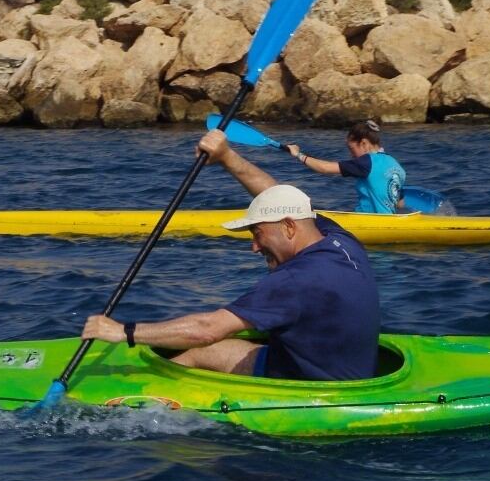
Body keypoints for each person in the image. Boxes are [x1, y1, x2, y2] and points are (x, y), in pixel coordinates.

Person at [80, 130, 380, 381]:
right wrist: (226, 157)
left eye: (257, 233)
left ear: (289, 227)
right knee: (226, 345)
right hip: (344, 365)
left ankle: (142, 397)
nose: (254, 246)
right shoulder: (339, 240)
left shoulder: (294, 280)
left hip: (313, 383)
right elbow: (276, 193)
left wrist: (123, 331)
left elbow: (207, 330)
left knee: (202, 349)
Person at [285, 119, 406, 214]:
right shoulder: (395, 165)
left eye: (352, 149)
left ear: (363, 143)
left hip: (368, 220)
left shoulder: (366, 162)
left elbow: (325, 168)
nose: (351, 155)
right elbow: (400, 204)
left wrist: (298, 155)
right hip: (389, 220)